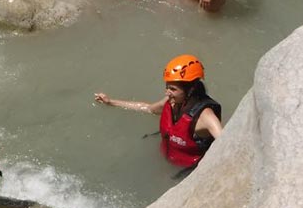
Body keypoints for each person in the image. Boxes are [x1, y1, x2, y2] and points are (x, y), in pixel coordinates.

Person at [94, 54, 222, 168]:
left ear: (191, 89)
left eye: (172, 89)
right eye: (167, 87)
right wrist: (111, 102)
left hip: (188, 170)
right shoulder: (171, 101)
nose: (167, 93)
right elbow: (148, 109)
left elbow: (226, 142)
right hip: (165, 159)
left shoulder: (206, 116)